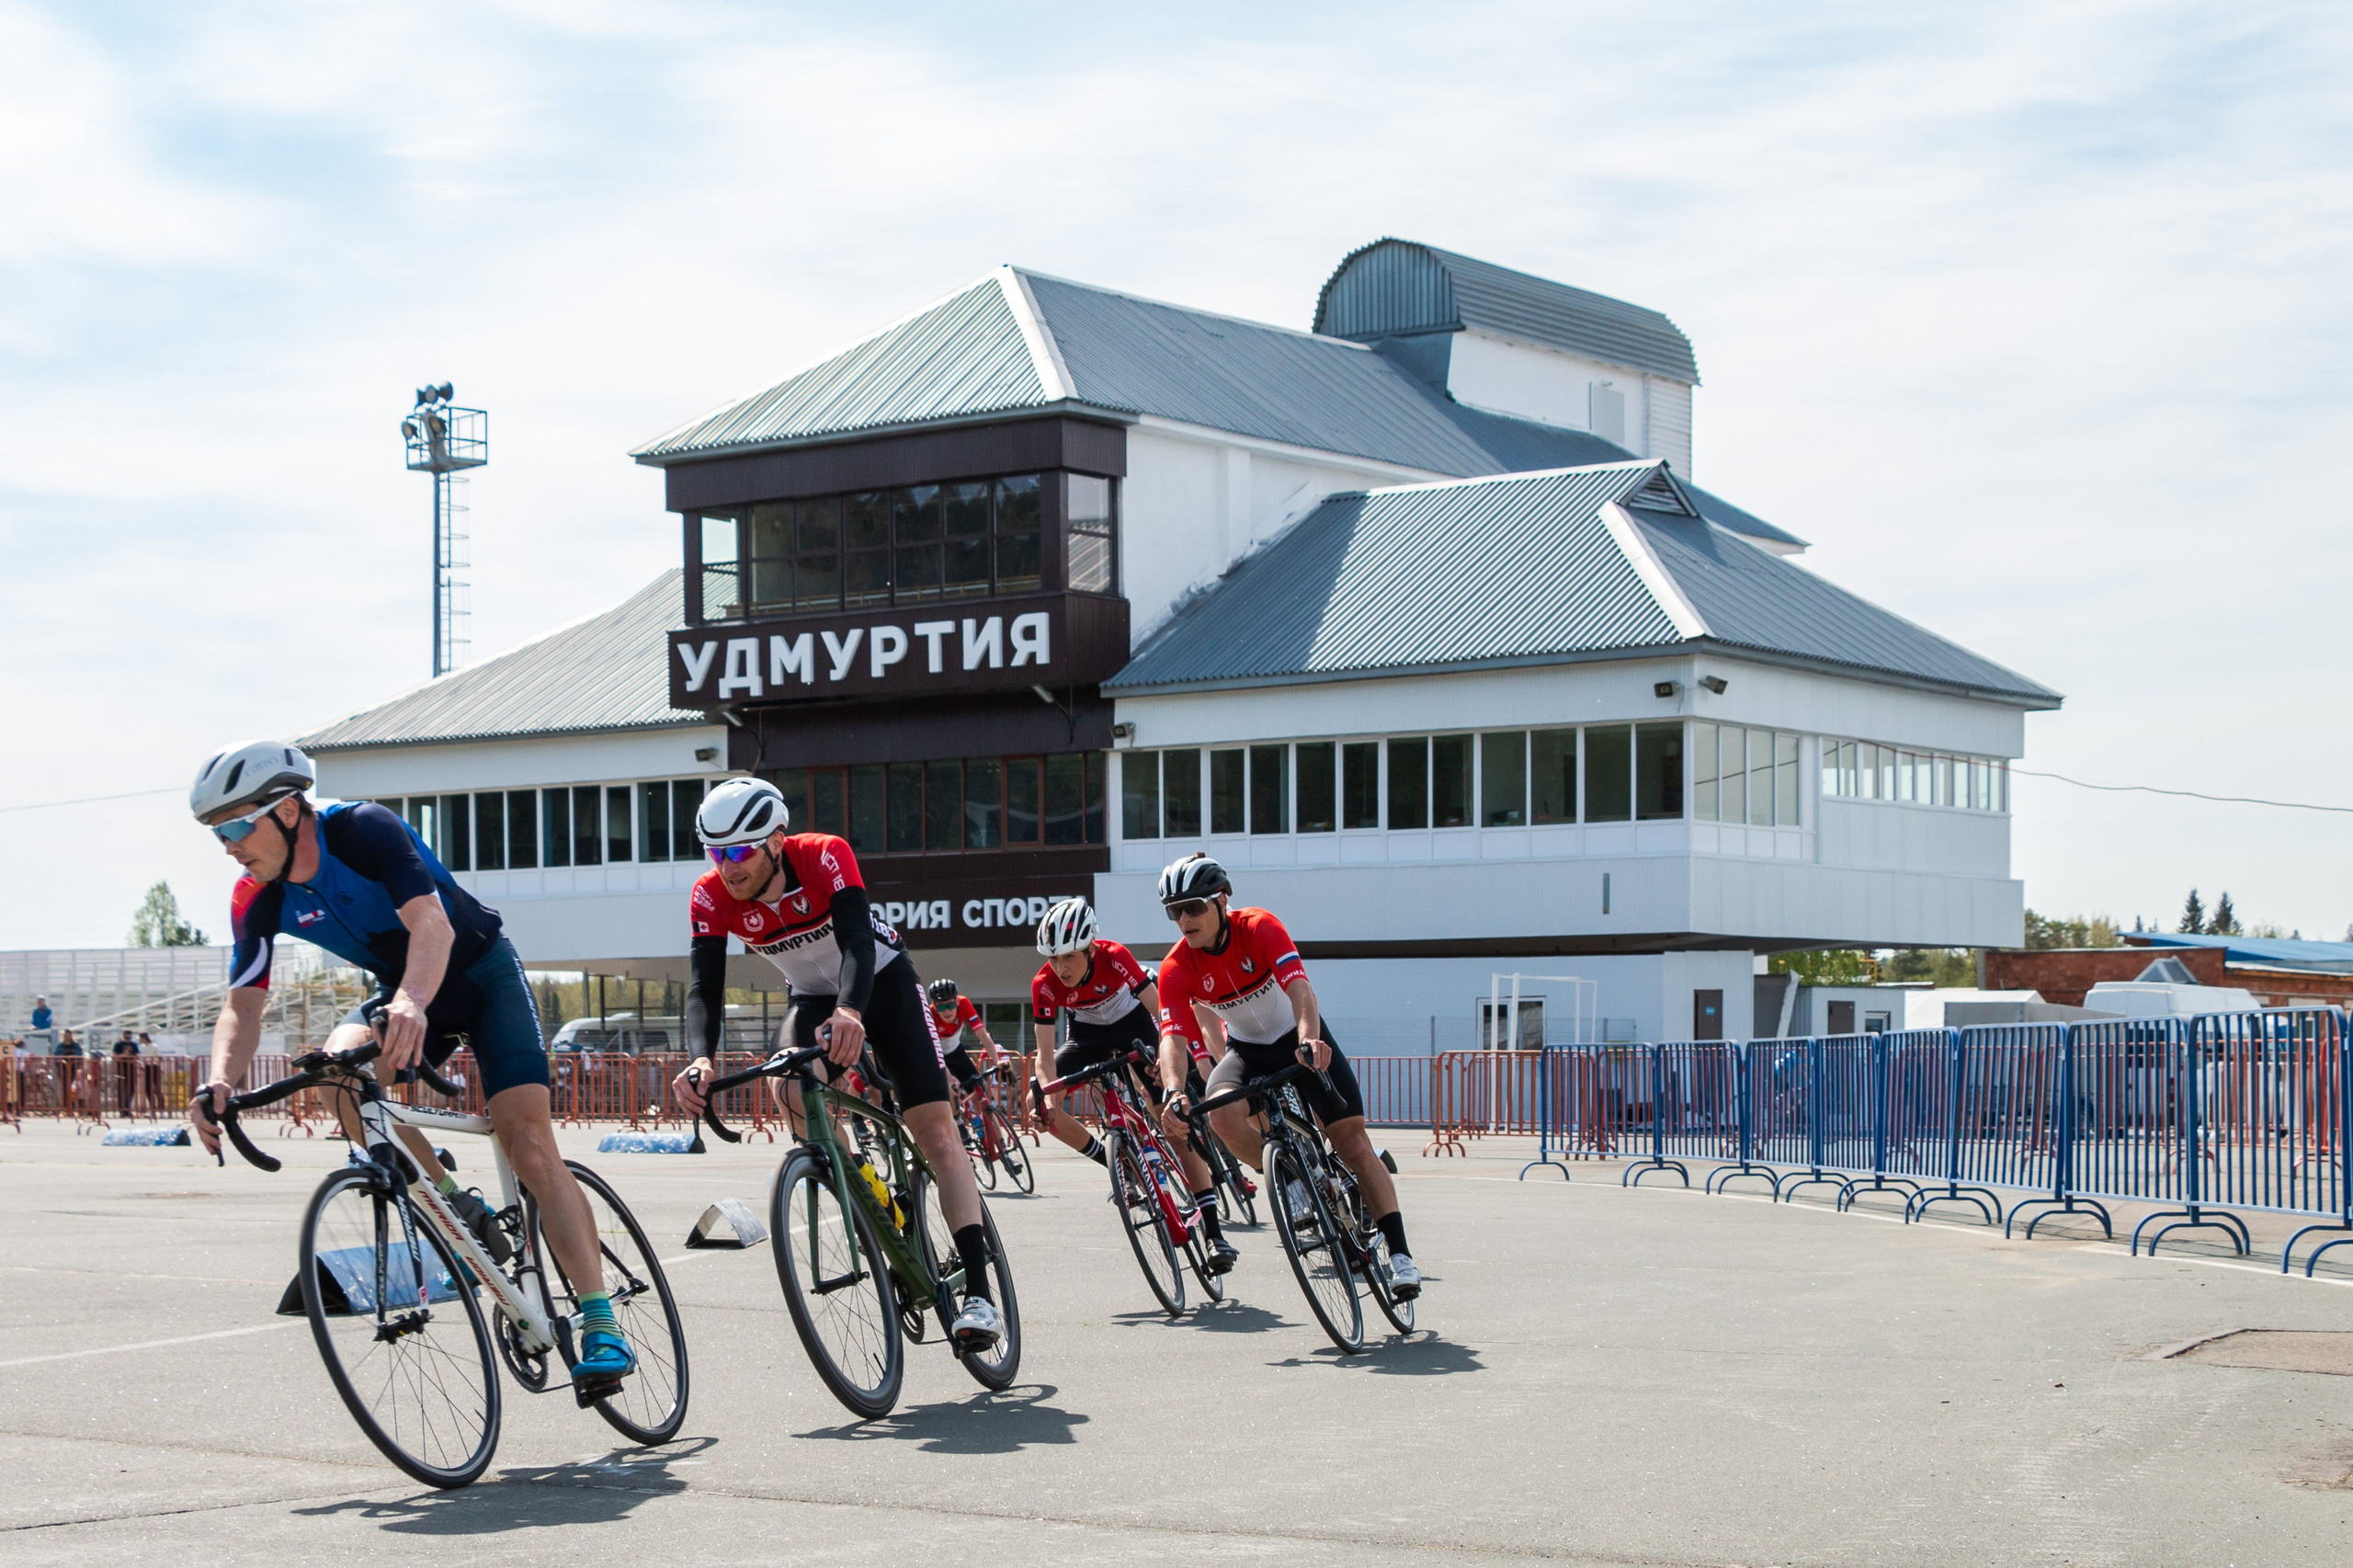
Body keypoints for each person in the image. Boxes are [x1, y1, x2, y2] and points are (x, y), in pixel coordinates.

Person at [182, 740, 634, 1386]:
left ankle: (601, 1324)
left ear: (286, 811)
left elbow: (433, 926)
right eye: (214, 833)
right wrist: (220, 1078)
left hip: (477, 974)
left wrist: (413, 1003)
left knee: (527, 1142)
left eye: (232, 826)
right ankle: (453, 1204)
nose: (227, 845)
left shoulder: (364, 829)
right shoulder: (256, 895)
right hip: (405, 993)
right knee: (336, 1073)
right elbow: (243, 1007)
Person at [668, 778, 1005, 1347]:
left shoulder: (824, 854)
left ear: (776, 841)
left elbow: (856, 942)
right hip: (812, 999)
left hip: (881, 983)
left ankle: (979, 1292)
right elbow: (704, 988)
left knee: (937, 1134)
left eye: (739, 851)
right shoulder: (709, 895)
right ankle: (863, 1197)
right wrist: (699, 1061)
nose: (727, 866)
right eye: (716, 853)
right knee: (791, 1088)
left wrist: (852, 1010)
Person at [1154, 854, 1420, 1301]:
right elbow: (1172, 1039)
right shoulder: (1176, 968)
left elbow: (1300, 990)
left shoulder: (1259, 927)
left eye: (1194, 907)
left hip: (1298, 1039)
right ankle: (1291, 1180)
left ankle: (1400, 1256)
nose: (1183, 919)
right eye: (1173, 911)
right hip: (1248, 1052)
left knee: (1353, 1145)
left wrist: (1309, 1040)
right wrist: (1174, 1090)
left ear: (1222, 901)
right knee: (1220, 1116)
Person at [1029, 896, 1235, 1273]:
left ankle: (1213, 1231)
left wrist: (1165, 1057)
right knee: (1038, 1102)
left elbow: (1162, 1012)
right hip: (1087, 1035)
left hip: (1135, 1025)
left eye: (1069, 957)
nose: (1060, 968)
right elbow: (1045, 1055)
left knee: (1172, 1120)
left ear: (1091, 948)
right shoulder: (1043, 983)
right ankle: (1115, 1160)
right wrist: (1045, 1092)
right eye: (1053, 958)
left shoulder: (1116, 956)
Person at [926, 978, 1021, 1176]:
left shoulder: (965, 1004)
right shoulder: (929, 1015)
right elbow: (933, 1052)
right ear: (934, 1006)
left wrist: (998, 1063)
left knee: (983, 1099)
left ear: (957, 1002)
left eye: (951, 1004)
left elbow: (983, 1036)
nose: (947, 1010)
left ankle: (1003, 1151)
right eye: (941, 1006)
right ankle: (958, 1121)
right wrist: (950, 1078)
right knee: (950, 1087)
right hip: (938, 1057)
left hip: (957, 1053)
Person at [112, 1029, 140, 1118]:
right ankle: (121, 1109)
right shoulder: (118, 1044)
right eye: (127, 1035)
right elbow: (114, 1056)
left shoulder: (133, 1045)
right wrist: (123, 1055)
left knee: (131, 1089)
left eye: (129, 1035)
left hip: (131, 1068)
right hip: (121, 1068)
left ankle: (127, 1108)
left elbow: (137, 1055)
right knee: (121, 1089)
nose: (128, 1037)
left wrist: (133, 1059)